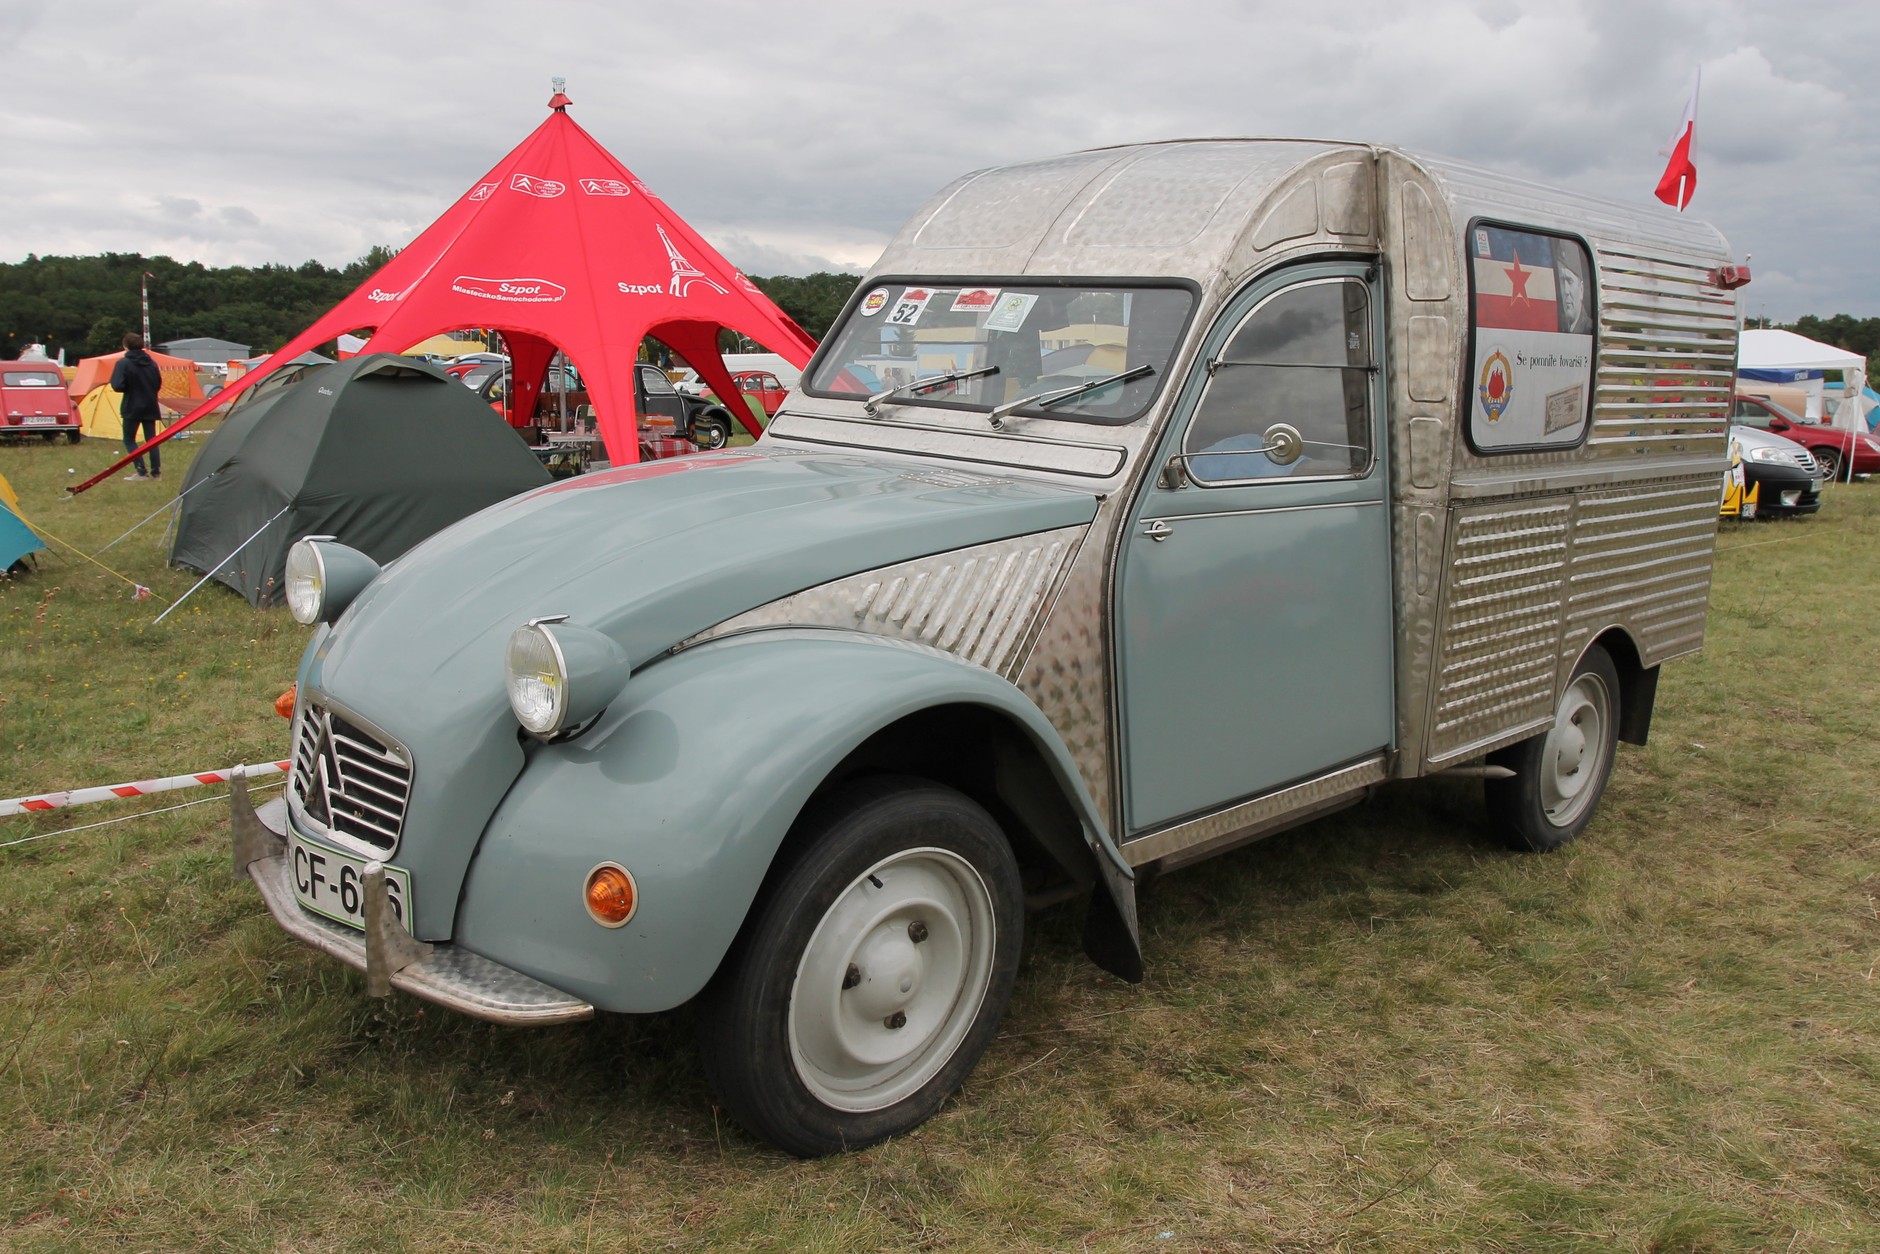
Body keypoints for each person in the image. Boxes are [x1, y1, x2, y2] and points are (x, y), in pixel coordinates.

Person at [110, 333, 164, 480]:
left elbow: (117, 385)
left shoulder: (123, 363)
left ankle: (141, 470)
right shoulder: (151, 363)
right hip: (150, 405)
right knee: (151, 440)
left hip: (132, 405)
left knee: (129, 439)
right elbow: (158, 383)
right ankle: (156, 471)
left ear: (125, 346)